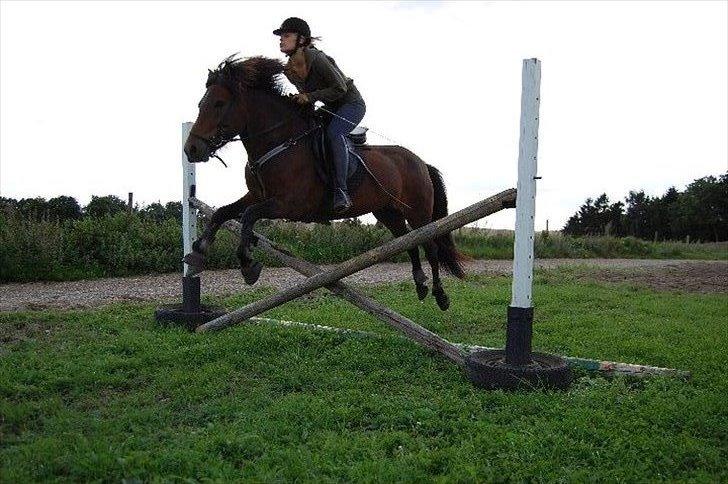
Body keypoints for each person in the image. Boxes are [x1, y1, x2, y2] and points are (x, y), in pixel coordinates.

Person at [274, 17, 366, 213]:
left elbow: (340, 88)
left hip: (351, 104)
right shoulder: (289, 70)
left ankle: (341, 191)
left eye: (286, 35)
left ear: (301, 40)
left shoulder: (317, 59)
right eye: (281, 36)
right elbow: (309, 97)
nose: (281, 39)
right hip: (331, 107)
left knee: (333, 134)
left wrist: (308, 96)